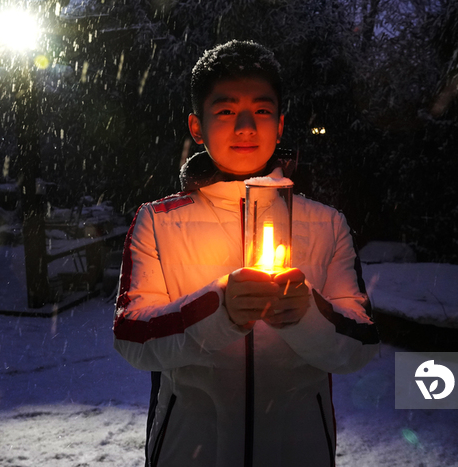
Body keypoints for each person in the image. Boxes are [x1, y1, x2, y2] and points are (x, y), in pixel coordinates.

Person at [113, 40, 379, 467]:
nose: (244, 126)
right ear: (196, 127)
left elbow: (362, 342)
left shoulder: (328, 224)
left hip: (299, 452)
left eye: (261, 110)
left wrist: (307, 313)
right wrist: (219, 309)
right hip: (190, 453)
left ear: (280, 124)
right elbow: (132, 336)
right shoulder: (158, 222)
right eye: (224, 111)